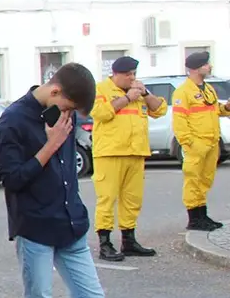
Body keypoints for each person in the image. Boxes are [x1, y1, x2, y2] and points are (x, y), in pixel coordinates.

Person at [0, 62, 118, 298]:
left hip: (71, 225)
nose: (68, 115)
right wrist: (49, 145)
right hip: (35, 229)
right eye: (67, 107)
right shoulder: (13, 121)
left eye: (73, 112)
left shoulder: (65, 113)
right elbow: (12, 179)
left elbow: (66, 173)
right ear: (55, 90)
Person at [89, 55, 167, 259]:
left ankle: (129, 240)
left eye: (133, 74)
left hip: (136, 151)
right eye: (127, 75)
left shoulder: (138, 91)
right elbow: (100, 113)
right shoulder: (101, 90)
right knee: (107, 199)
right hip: (110, 152)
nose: (131, 78)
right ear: (114, 74)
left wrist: (145, 93)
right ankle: (105, 243)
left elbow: (159, 110)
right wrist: (127, 99)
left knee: (132, 199)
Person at [171, 50, 229, 231]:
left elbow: (213, 109)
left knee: (205, 181)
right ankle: (194, 219)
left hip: (211, 142)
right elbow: (179, 121)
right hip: (197, 144)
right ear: (196, 69)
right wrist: (189, 143)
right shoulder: (183, 92)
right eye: (206, 64)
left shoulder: (207, 88)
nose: (209, 66)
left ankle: (202, 215)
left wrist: (226, 107)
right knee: (193, 181)